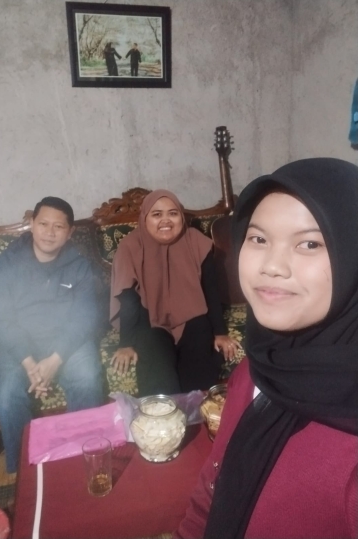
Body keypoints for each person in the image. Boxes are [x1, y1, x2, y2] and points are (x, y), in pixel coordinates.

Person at [174, 158, 358, 539]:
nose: (272, 266)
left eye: (309, 243)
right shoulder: (257, 368)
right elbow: (212, 491)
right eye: (258, 239)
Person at [0, 196, 105, 473]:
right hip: (20, 345)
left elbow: (85, 317)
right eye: (43, 224)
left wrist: (55, 360)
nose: (50, 232)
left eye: (58, 227)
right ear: (31, 224)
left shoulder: (79, 265)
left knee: (87, 379)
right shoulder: (7, 263)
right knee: (8, 395)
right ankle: (24, 471)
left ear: (70, 232)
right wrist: (29, 363)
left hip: (67, 343)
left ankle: (81, 460)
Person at [110, 189, 241, 397]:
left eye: (173, 213)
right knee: (160, 383)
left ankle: (199, 414)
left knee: (198, 379)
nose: (166, 220)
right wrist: (125, 343)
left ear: (181, 216)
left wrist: (220, 332)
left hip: (192, 316)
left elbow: (210, 289)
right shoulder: (130, 247)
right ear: (144, 218)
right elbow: (128, 299)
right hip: (149, 320)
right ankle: (163, 415)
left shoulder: (196, 242)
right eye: (156, 214)